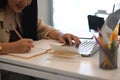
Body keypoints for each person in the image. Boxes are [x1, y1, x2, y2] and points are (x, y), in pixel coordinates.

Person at [0, 0, 80, 80]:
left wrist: (61, 35)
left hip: (28, 70)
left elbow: (45, 29)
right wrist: (12, 47)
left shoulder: (24, 14)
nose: (25, 3)